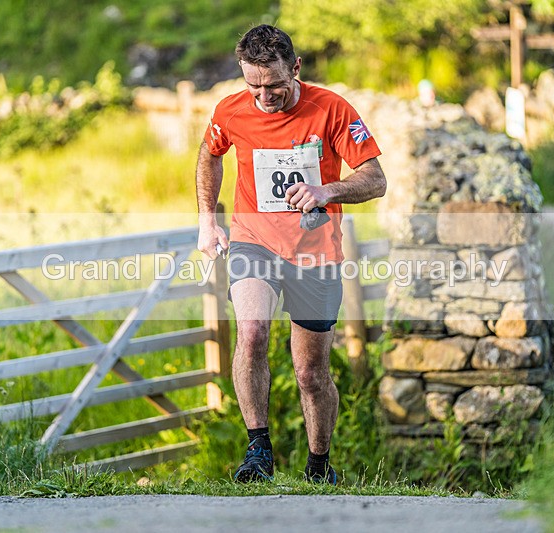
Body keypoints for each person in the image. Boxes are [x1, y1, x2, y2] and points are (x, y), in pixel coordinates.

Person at [195, 24, 386, 484]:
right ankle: (258, 450)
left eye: (275, 85)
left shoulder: (333, 110)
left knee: (310, 373)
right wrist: (207, 218)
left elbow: (376, 179)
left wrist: (326, 190)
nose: (264, 96)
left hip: (315, 252)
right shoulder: (232, 108)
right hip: (252, 239)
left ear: (295, 69)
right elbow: (210, 152)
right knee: (254, 331)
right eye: (253, 85)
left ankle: (320, 465)